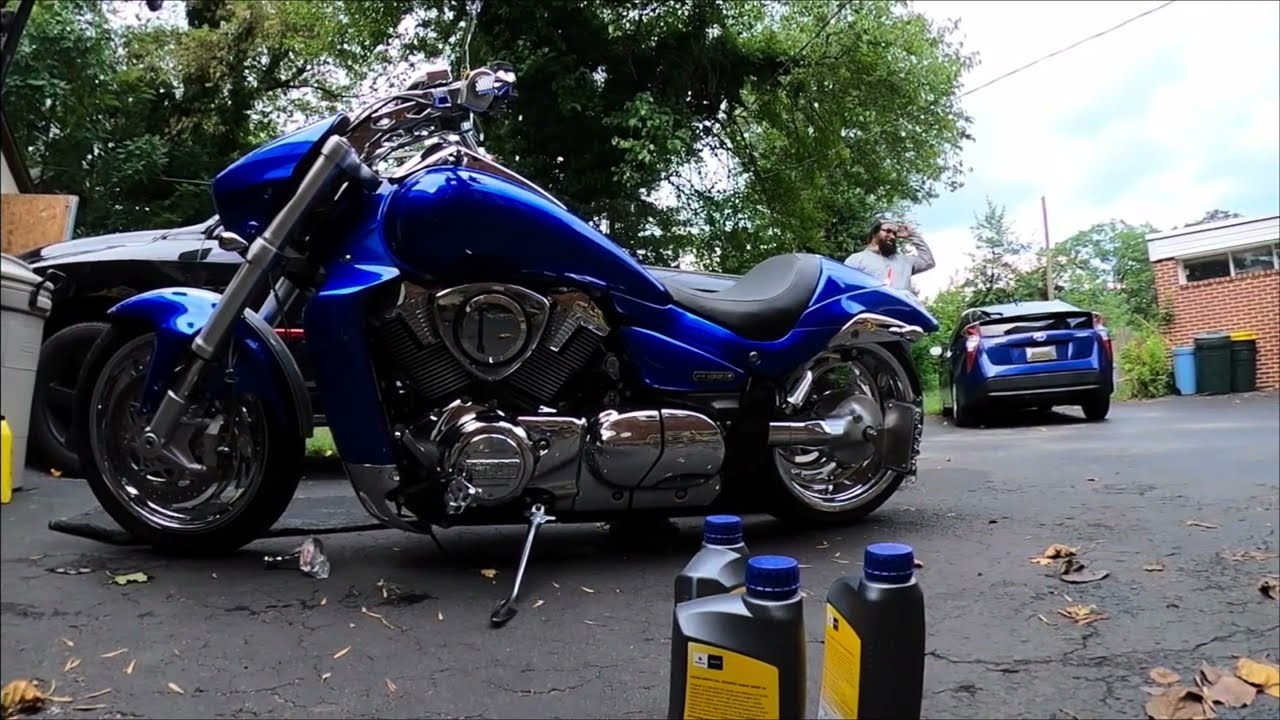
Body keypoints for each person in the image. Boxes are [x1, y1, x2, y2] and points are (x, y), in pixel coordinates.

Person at [843, 218, 936, 293]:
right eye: (888, 231)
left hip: (899, 314)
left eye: (895, 234)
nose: (892, 236)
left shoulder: (905, 261)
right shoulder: (857, 259)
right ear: (875, 232)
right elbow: (845, 286)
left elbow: (928, 261)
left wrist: (912, 235)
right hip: (869, 313)